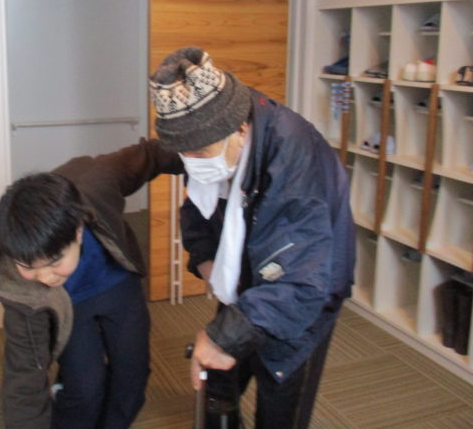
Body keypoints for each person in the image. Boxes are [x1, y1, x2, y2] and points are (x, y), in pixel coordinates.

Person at [149, 47, 355, 429]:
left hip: (306, 285)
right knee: (219, 380)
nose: (193, 161)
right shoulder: (216, 135)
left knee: (279, 387)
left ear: (240, 130)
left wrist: (223, 337)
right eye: (184, 153)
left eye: (199, 152)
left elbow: (301, 281)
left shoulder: (296, 158)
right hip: (248, 269)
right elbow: (199, 206)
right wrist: (206, 257)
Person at [0, 139, 182, 428]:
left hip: (118, 285)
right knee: (84, 388)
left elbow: (152, 155)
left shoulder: (96, 180)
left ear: (78, 231)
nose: (45, 277)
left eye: (54, 262)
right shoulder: (18, 284)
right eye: (28, 266)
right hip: (68, 306)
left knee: (132, 377)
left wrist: (215, 160)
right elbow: (24, 375)